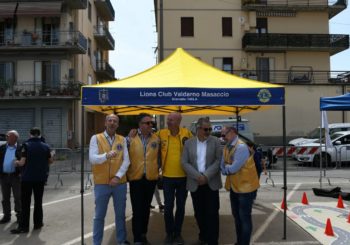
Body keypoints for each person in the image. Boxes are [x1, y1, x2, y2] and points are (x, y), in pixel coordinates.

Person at [89, 114, 130, 245]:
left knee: (120, 215)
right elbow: (93, 158)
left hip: (119, 183)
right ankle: (97, 242)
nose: (112, 123)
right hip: (101, 183)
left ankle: (121, 240)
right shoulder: (96, 138)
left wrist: (118, 177)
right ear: (105, 123)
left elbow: (127, 161)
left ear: (118, 125)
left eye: (115, 121)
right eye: (110, 120)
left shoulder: (122, 139)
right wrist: (106, 155)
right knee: (99, 216)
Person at [182, 117, 222, 245]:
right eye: (206, 129)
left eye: (210, 129)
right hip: (195, 183)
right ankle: (203, 236)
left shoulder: (215, 141)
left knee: (212, 213)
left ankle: (212, 241)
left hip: (211, 182)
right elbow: (184, 162)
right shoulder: (188, 143)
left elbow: (218, 161)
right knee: (199, 213)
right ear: (198, 129)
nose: (208, 131)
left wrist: (205, 176)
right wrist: (197, 176)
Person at [157, 112, 192, 244]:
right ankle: (169, 233)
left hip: (184, 177)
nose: (168, 122)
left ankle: (177, 233)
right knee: (168, 206)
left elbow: (196, 148)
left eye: (171, 120)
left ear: (178, 121)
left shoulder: (187, 134)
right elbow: (149, 138)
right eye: (168, 119)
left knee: (181, 206)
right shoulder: (161, 134)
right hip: (167, 177)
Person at [220, 126, 260, 245]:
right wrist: (227, 168)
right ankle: (240, 242)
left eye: (224, 135)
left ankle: (244, 243)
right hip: (235, 187)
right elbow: (222, 165)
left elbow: (233, 168)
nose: (222, 138)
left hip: (246, 189)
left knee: (244, 219)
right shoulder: (227, 146)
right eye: (221, 135)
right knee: (237, 218)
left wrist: (227, 168)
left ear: (232, 133)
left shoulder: (241, 147)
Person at [11, 127, 54, 234]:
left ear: (30, 134)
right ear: (39, 134)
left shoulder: (26, 145)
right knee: (38, 202)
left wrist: (15, 162)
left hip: (27, 178)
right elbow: (50, 161)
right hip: (40, 178)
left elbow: (22, 162)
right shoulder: (46, 146)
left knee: (25, 203)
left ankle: (24, 227)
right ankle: (38, 224)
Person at [127, 113, 160, 245]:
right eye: (147, 123)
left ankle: (143, 234)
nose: (150, 125)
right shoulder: (130, 138)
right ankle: (137, 239)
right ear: (140, 125)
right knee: (137, 209)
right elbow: (123, 156)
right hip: (136, 178)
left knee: (146, 208)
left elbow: (160, 157)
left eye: (151, 123)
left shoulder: (156, 139)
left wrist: (160, 170)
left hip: (150, 178)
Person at [0, 130, 22, 224]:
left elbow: (25, 161)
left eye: (9, 136)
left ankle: (19, 216)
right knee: (5, 198)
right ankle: (6, 216)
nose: (7, 137)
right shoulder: (2, 147)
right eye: (7, 136)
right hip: (4, 176)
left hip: (16, 176)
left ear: (15, 138)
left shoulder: (21, 148)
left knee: (18, 197)